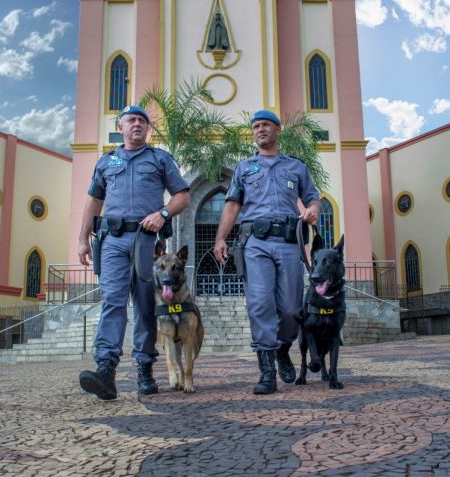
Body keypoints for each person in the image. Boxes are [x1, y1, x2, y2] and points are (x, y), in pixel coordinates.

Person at [78, 105, 190, 400]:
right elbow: (93, 203)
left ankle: (144, 368)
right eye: (131, 120)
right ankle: (106, 368)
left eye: (142, 120)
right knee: (112, 300)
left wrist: (163, 214)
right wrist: (81, 239)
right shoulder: (106, 162)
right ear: (121, 126)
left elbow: (183, 196)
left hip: (146, 242)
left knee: (145, 306)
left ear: (147, 128)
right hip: (112, 241)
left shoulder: (160, 159)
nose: (137, 124)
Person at [214, 110, 320, 395]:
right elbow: (233, 205)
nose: (260, 129)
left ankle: (282, 350)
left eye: (266, 125)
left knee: (290, 309)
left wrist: (312, 210)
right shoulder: (244, 168)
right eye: (256, 126)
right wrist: (220, 239)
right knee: (259, 304)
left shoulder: (296, 167)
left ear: (277, 130)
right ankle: (266, 372)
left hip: (288, 242)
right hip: (255, 243)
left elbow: (312, 197)